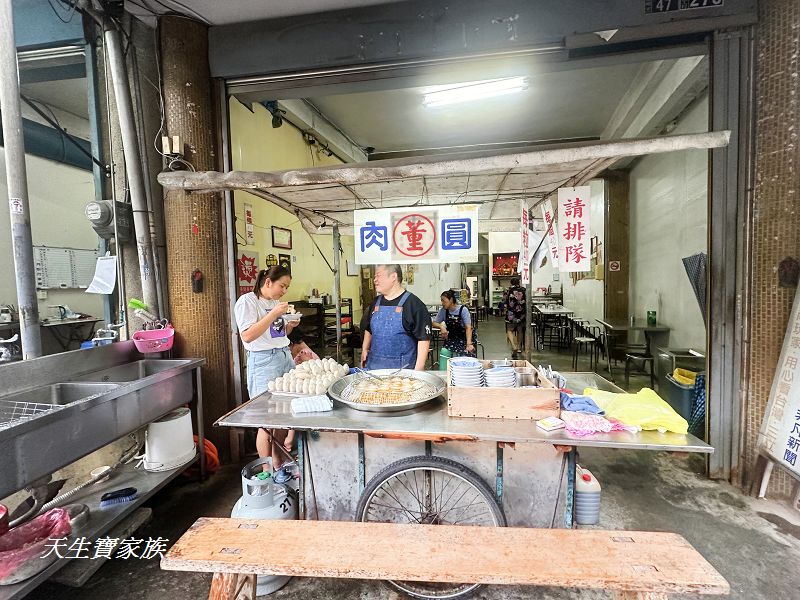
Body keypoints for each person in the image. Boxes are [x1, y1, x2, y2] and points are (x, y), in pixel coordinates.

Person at [234, 266, 297, 474]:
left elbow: (276, 334)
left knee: (281, 416)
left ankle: (279, 462)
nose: (284, 291)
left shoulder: (274, 303)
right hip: (263, 362)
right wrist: (275, 314)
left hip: (282, 356)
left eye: (287, 287)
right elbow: (248, 335)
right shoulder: (247, 302)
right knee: (266, 420)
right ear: (268, 282)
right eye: (282, 285)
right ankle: (266, 469)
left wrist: (290, 326)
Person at [360, 264, 432, 370]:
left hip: (403, 372)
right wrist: (364, 349)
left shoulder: (414, 304)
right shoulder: (375, 303)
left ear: (393, 276)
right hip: (374, 369)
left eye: (378, 276)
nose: (375, 280)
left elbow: (424, 340)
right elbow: (368, 328)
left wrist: (417, 372)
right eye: (375, 277)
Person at [432, 290, 476, 357]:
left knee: (464, 357)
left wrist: (469, 344)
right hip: (452, 338)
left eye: (444, 300)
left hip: (465, 338)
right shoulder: (443, 311)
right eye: (441, 301)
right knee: (444, 353)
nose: (442, 303)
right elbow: (434, 323)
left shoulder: (463, 310)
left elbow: (468, 327)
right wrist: (441, 327)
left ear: (451, 300)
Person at [505, 277, 526, 357]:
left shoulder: (508, 290)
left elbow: (505, 300)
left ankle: (513, 346)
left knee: (509, 330)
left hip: (511, 313)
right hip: (521, 313)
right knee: (520, 330)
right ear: (519, 282)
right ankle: (519, 347)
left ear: (511, 283)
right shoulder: (523, 290)